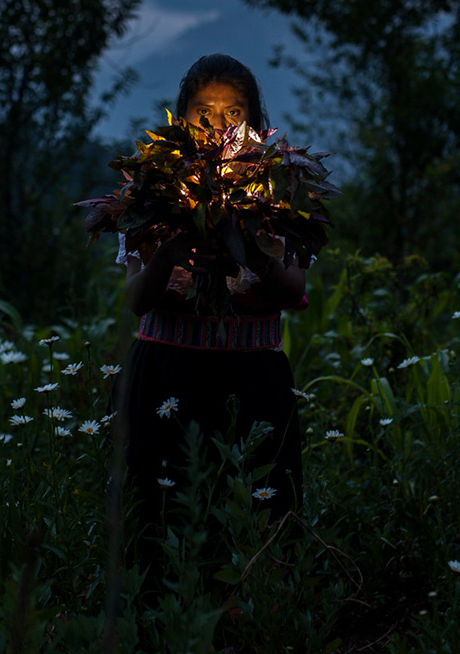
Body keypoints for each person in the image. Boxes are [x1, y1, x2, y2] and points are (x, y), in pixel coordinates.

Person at [112, 53, 309, 566]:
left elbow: (292, 292)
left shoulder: (279, 185)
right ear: (181, 116)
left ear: (254, 117)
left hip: (253, 380)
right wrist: (170, 257)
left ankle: (249, 630)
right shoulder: (153, 186)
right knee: (163, 520)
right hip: (165, 376)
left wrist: (255, 249)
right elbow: (135, 300)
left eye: (233, 111)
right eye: (204, 110)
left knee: (256, 517)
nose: (219, 123)